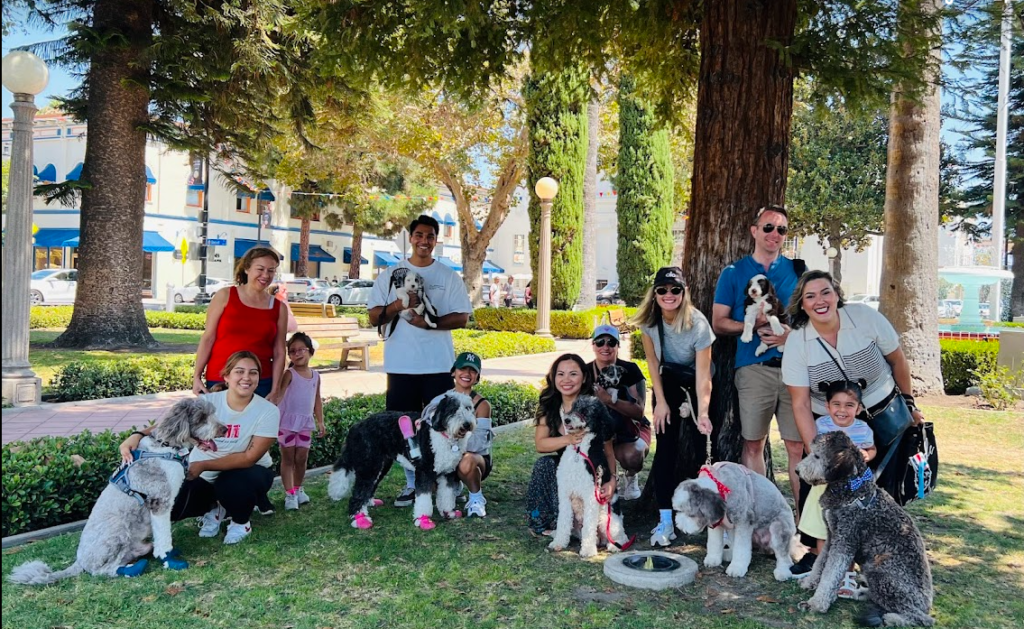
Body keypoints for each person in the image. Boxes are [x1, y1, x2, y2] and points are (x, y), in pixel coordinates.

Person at [782, 270, 925, 497]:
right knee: (826, 500)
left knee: (882, 494)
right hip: (831, 428)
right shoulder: (797, 342)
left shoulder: (864, 317)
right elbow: (800, 404)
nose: (820, 301)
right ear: (801, 305)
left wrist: (910, 405)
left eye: (826, 292)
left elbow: (898, 361)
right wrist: (817, 454)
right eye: (810, 296)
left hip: (885, 418)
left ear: (837, 295)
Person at [119, 351, 279, 545]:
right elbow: (173, 424)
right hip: (200, 473)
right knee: (172, 503)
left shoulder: (268, 411)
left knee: (233, 484)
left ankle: (240, 522)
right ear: (227, 376)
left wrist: (203, 465)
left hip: (248, 472)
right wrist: (137, 435)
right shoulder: (208, 402)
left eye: (253, 373)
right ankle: (214, 507)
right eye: (239, 371)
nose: (246, 377)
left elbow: (249, 457)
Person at [367, 214, 472, 507]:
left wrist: (431, 324)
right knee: (405, 428)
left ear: (436, 241)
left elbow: (462, 316)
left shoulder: (448, 276)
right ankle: (413, 485)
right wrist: (399, 304)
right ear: (411, 237)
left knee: (444, 424)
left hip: (438, 365)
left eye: (430, 236)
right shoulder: (391, 274)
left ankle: (447, 480)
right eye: (419, 235)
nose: (424, 241)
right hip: (401, 366)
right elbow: (373, 315)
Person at [711, 204, 803, 502]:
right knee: (752, 445)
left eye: (781, 229)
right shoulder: (734, 273)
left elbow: (816, 318)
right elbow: (719, 322)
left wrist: (792, 335)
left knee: (798, 448)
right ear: (754, 231)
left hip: (794, 370)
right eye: (768, 227)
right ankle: (759, 518)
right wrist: (753, 324)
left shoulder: (797, 271)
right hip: (753, 369)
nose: (774, 234)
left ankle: (803, 527)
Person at [632, 267, 714, 547]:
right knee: (666, 449)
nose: (669, 295)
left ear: (684, 292)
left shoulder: (698, 324)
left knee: (701, 448)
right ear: (654, 294)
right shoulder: (649, 323)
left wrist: (702, 412)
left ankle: (703, 515)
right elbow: (653, 364)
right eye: (663, 290)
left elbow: (704, 375)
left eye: (675, 289)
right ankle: (665, 519)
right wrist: (661, 403)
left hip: (694, 382)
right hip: (667, 380)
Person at [793, 379, 876, 598]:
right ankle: (825, 573)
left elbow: (872, 449)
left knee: (846, 536)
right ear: (828, 406)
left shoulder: (863, 428)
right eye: (836, 404)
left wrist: (867, 455)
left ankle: (846, 578)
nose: (842, 410)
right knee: (823, 532)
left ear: (858, 408)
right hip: (824, 491)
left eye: (849, 405)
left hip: (851, 493)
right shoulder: (821, 426)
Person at [525, 354, 617, 536]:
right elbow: (540, 444)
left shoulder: (593, 407)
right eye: (560, 374)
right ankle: (546, 521)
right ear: (553, 378)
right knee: (545, 464)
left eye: (573, 374)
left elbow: (608, 450)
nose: (566, 380)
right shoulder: (550, 406)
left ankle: (585, 527)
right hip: (564, 470)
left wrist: (612, 479)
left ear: (583, 378)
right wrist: (568, 439)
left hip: (591, 472)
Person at [193, 247, 287, 401]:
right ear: (247, 269)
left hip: (260, 382)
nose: (265, 275)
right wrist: (196, 376)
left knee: (254, 425)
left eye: (271, 270)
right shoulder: (225, 296)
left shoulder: (279, 308)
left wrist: (275, 388)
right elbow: (208, 338)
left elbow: (279, 352)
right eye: (260, 269)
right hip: (220, 378)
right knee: (219, 425)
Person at [586, 323, 649, 500]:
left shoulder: (631, 370)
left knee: (633, 455)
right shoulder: (584, 371)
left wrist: (608, 400)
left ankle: (631, 476)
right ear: (593, 345)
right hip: (598, 431)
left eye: (611, 342)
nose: (605, 347)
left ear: (618, 346)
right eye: (600, 342)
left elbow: (639, 412)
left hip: (629, 430)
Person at [276, 332, 325, 511]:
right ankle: (290, 494)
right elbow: (279, 395)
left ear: (311, 352)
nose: (297, 354)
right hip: (286, 424)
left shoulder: (316, 376)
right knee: (288, 457)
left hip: (305, 424)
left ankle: (298, 488)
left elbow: (317, 399)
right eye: (292, 351)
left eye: (301, 350)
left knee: (302, 457)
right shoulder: (289, 374)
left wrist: (320, 421)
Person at [447, 352, 493, 518]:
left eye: (472, 371)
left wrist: (455, 436)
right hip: (449, 454)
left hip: (476, 457)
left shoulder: (482, 405)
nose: (466, 374)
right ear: (453, 372)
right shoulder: (442, 400)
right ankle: (453, 487)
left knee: (466, 461)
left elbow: (479, 444)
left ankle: (476, 498)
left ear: (477, 377)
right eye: (462, 369)